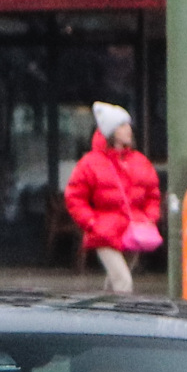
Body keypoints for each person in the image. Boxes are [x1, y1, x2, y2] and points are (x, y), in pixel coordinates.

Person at [63, 102, 161, 295]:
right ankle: (122, 322)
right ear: (112, 132)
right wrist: (91, 222)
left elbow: (152, 195)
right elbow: (75, 197)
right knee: (123, 282)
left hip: (134, 232)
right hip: (105, 233)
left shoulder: (139, 161)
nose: (129, 129)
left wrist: (150, 218)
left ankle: (104, 315)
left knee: (116, 283)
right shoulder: (91, 164)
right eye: (123, 125)